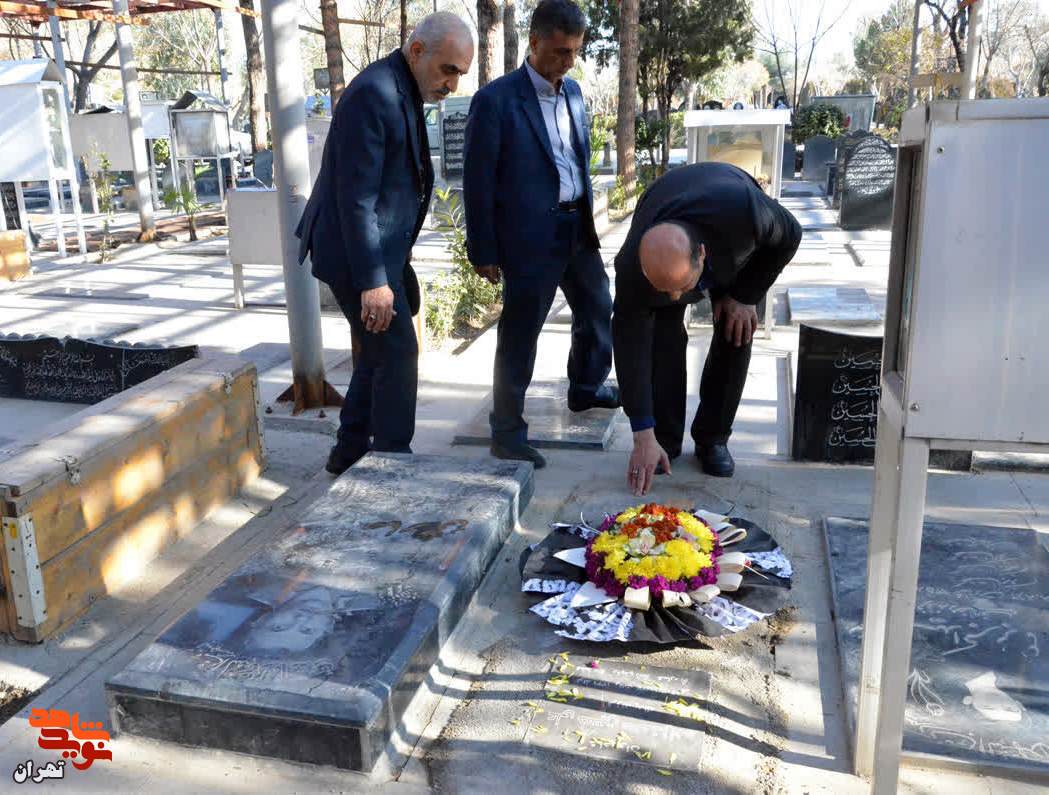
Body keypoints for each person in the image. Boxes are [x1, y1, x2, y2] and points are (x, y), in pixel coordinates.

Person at [297, 13, 474, 475]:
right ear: (417, 51)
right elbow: (356, 199)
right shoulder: (374, 93)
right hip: (353, 251)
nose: (452, 84)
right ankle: (393, 466)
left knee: (376, 352)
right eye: (448, 70)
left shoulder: (402, 86)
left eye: (459, 73)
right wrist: (374, 282)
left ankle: (349, 450)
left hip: (376, 247)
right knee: (397, 353)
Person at [463, 0, 619, 470]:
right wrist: (483, 249)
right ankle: (507, 432)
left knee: (598, 306)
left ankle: (585, 387)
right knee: (520, 334)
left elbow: (574, 158)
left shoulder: (574, 93)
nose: (569, 61)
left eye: (575, 51)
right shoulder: (495, 101)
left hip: (576, 227)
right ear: (534, 42)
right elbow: (478, 180)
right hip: (529, 239)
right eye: (560, 52)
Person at [613, 162, 802, 496]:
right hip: (666, 205)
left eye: (681, 287)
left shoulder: (747, 212)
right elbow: (630, 349)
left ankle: (713, 438)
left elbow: (790, 235)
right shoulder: (631, 268)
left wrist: (745, 296)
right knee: (662, 335)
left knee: (736, 327)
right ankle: (664, 439)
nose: (675, 298)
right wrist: (642, 433)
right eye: (664, 288)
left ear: (701, 255)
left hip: (729, 238)